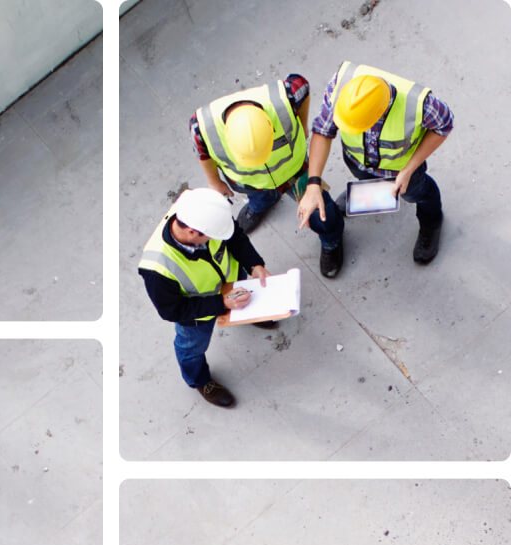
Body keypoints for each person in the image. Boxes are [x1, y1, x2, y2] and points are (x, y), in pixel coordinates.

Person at [297, 61, 454, 276]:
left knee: (421, 194)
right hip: (357, 161)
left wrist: (408, 170)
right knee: (365, 181)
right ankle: (367, 194)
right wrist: (313, 183)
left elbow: (444, 125)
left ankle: (432, 222)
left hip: (402, 172)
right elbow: (323, 132)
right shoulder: (340, 87)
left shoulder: (419, 104)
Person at [138, 187, 271, 408]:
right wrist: (222, 304)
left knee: (246, 300)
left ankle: (248, 314)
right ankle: (199, 380)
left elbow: (235, 237)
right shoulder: (156, 269)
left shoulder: (207, 214)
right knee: (191, 348)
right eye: (211, 237)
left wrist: (254, 264)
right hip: (198, 315)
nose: (216, 239)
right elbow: (172, 310)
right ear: (192, 233)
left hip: (232, 280)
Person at [190, 75, 343, 255]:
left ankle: (331, 240)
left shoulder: (286, 97)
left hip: (295, 172)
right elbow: (203, 153)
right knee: (258, 195)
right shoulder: (203, 127)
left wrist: (303, 123)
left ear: (269, 124)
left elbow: (302, 87)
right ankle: (263, 202)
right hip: (251, 182)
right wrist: (214, 182)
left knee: (320, 211)